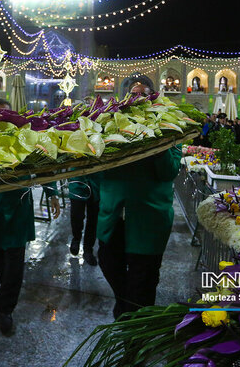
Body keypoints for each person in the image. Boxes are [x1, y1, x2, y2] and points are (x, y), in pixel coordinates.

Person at [0, 98, 60, 335]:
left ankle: (6, 309)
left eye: (5, 116)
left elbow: (44, 164)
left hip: (18, 208)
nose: (1, 120)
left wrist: (52, 192)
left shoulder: (25, 141)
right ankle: (4, 291)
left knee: (15, 261)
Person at [96, 83, 182, 319]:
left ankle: (133, 337)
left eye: (142, 95)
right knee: (108, 262)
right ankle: (124, 305)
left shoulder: (171, 128)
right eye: (132, 94)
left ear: (152, 98)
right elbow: (97, 166)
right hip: (113, 215)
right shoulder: (110, 124)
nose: (136, 99)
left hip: (149, 219)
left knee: (143, 281)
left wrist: (155, 138)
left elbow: (169, 171)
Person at [68, 172, 102, 266]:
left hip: (97, 181)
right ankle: (76, 238)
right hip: (77, 181)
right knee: (76, 215)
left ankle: (88, 250)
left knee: (93, 218)